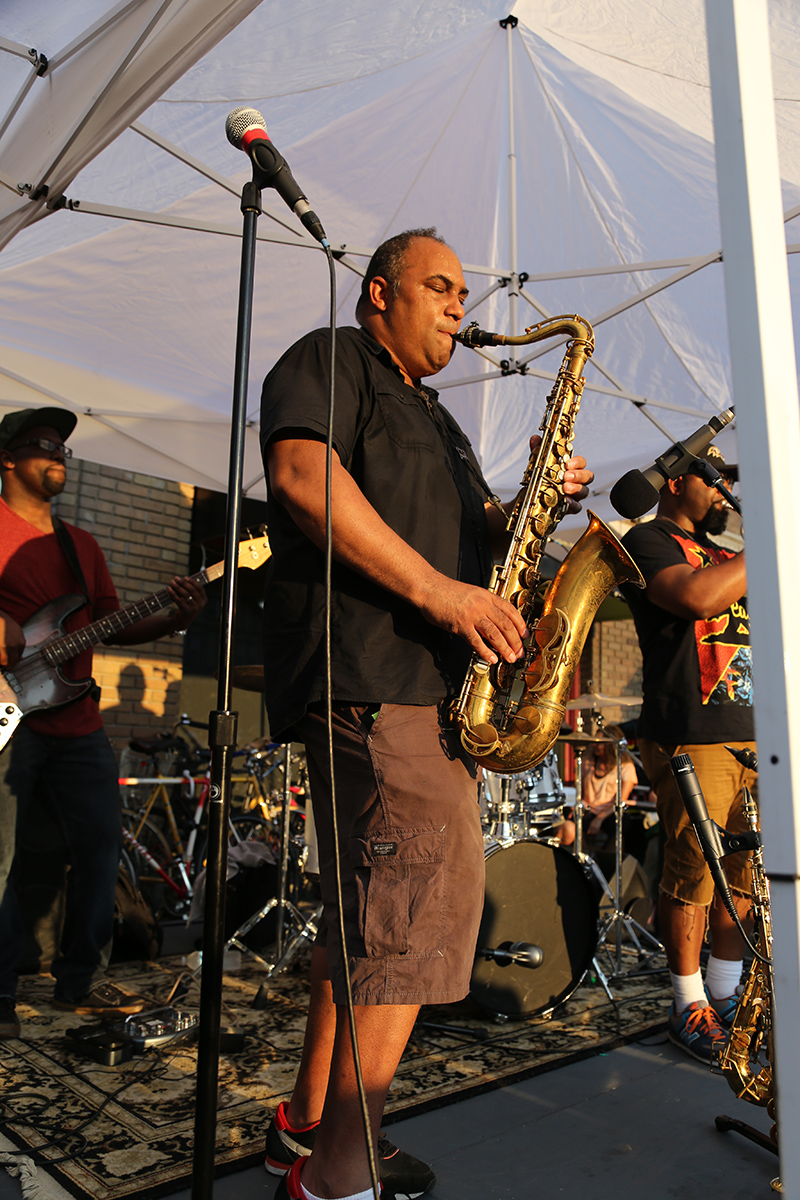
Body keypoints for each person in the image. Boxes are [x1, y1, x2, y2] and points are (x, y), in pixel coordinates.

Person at [259, 228, 593, 1200]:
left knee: (367, 926)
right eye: (438, 287)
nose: (457, 304)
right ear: (378, 294)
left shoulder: (433, 417)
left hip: (417, 688)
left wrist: (533, 497)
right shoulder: (333, 360)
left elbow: (477, 544)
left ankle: (310, 1126)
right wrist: (444, 597)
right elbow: (301, 477)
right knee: (416, 923)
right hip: (376, 677)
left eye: (460, 291)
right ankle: (335, 1178)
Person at [0, 406, 207, 1038]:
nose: (60, 455)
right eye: (44, 445)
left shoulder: (79, 546)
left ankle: (77, 979)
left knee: (99, 847)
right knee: (5, 857)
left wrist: (176, 616)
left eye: (66, 448)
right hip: (12, 718)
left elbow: (113, 622)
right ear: (7, 458)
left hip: (78, 718)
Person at [621, 446, 754, 1064]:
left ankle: (725, 992)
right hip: (691, 728)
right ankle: (687, 1002)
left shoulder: (731, 551)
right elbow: (698, 599)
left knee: (745, 870)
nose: (721, 487)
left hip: (757, 729)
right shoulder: (649, 540)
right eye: (713, 475)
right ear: (677, 479)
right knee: (693, 870)